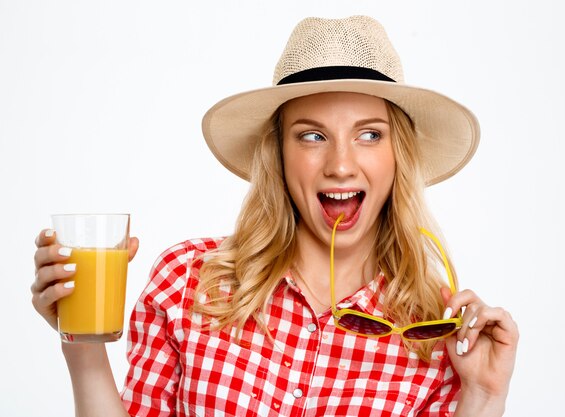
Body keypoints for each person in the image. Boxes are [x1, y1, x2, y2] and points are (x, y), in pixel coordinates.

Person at [31, 16, 518, 416]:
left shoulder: (434, 329)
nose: (341, 164)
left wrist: (484, 396)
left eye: (370, 134)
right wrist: (82, 342)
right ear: (278, 156)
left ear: (399, 156)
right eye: (311, 135)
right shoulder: (187, 282)